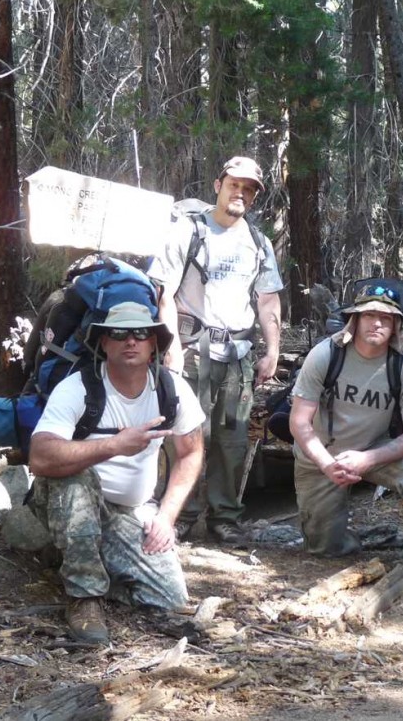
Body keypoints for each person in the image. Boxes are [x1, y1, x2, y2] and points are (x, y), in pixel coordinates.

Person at [29, 301, 205, 644]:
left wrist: (166, 517)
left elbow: (191, 451)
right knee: (77, 479)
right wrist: (112, 446)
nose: (131, 341)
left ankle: (74, 558)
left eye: (141, 333)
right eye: (119, 333)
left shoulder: (172, 390)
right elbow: (41, 457)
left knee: (169, 600)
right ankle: (84, 599)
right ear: (103, 343)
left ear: (154, 343)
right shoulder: (78, 388)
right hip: (68, 498)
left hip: (130, 511)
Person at [289, 289, 403, 598]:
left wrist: (368, 459)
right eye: (369, 315)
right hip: (322, 455)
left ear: (397, 326)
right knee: (324, 549)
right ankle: (352, 541)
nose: (376, 324)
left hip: (376, 449)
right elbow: (299, 422)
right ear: (355, 320)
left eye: (385, 318)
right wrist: (326, 463)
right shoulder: (326, 354)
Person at [152, 156, 283, 545]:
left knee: (233, 439)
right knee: (187, 434)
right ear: (218, 185)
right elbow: (164, 294)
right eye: (234, 185)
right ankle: (180, 513)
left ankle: (225, 517)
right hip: (192, 348)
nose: (240, 193)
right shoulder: (187, 232)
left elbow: (268, 299)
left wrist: (272, 349)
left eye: (249, 188)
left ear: (255, 197)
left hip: (238, 354)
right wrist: (171, 347)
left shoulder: (259, 242)